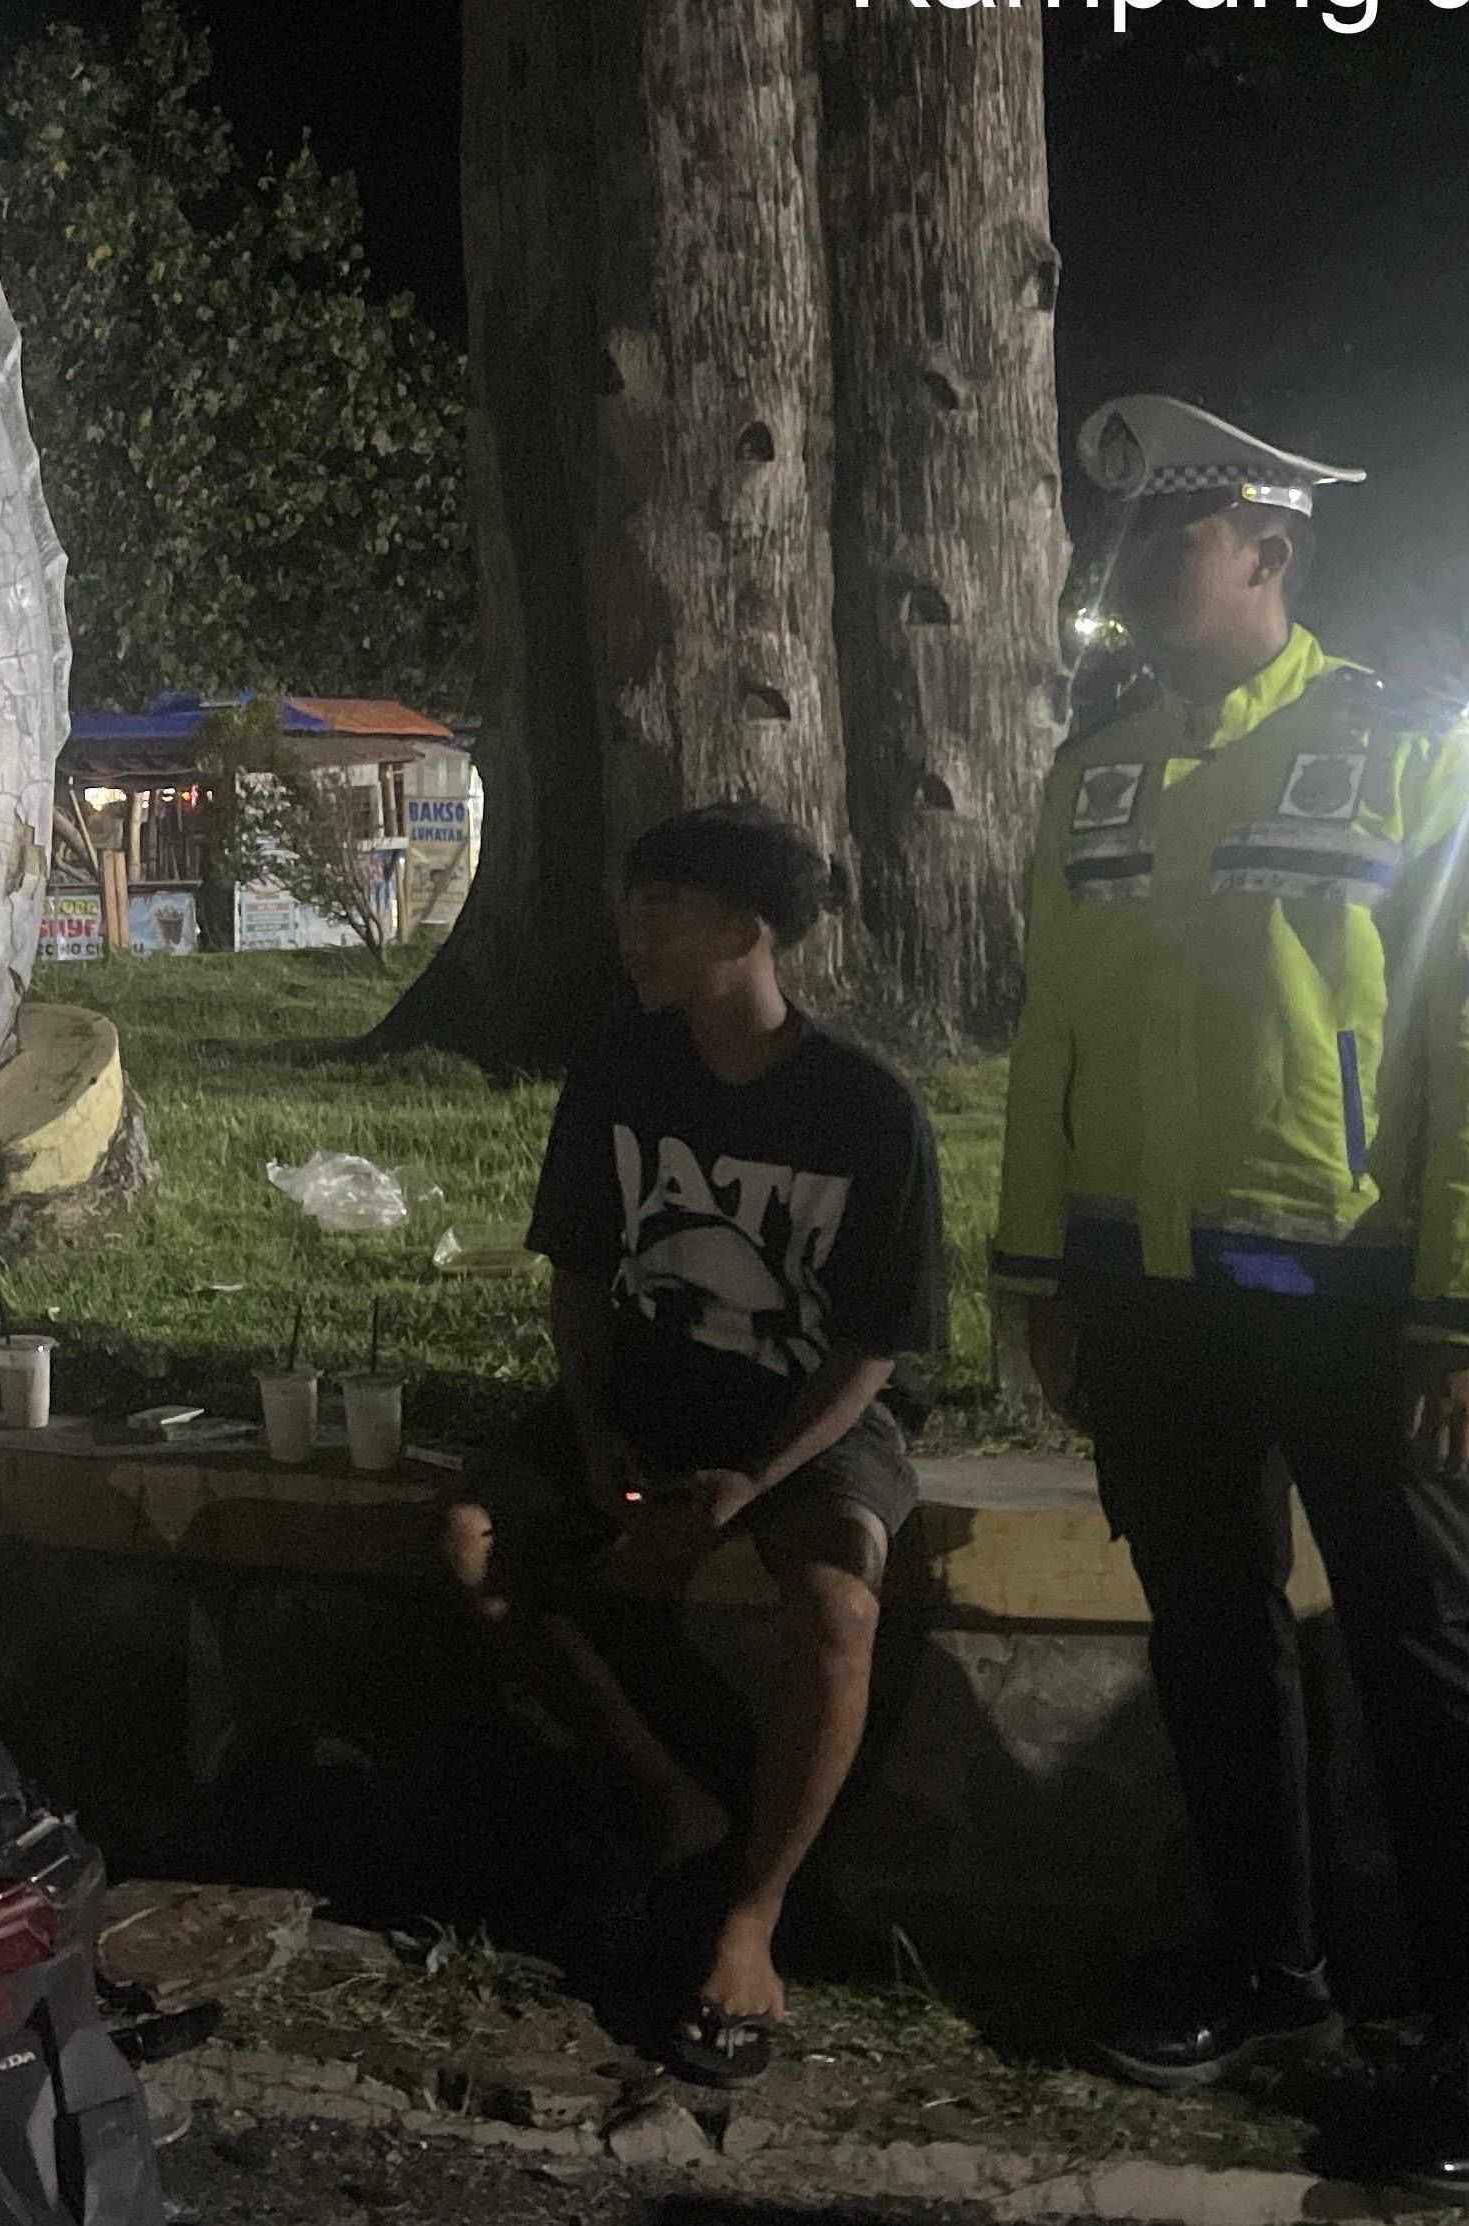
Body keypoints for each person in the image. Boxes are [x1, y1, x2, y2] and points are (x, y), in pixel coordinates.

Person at [996, 397, 1469, 2204]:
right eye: (1127, 536)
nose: (1141, 565)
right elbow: (1051, 1040)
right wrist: (1039, 1276)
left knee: (1433, 1657)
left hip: (1367, 1301)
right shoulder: (1091, 771)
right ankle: (1266, 1967)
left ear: (1270, 551)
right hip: (1149, 1297)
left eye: (1176, 534)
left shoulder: (1416, 750)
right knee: (1210, 1643)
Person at [436, 803, 943, 2090]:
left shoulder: (867, 1111)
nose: (631, 933)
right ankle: (671, 1801)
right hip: (648, 1397)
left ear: (746, 929)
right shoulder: (621, 1067)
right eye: (632, 904)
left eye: (660, 908)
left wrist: (751, 1485)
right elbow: (578, 1276)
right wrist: (598, 1434)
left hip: (804, 1417)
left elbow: (873, 1350)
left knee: (836, 1603)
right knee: (473, 1542)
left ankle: (753, 1918)